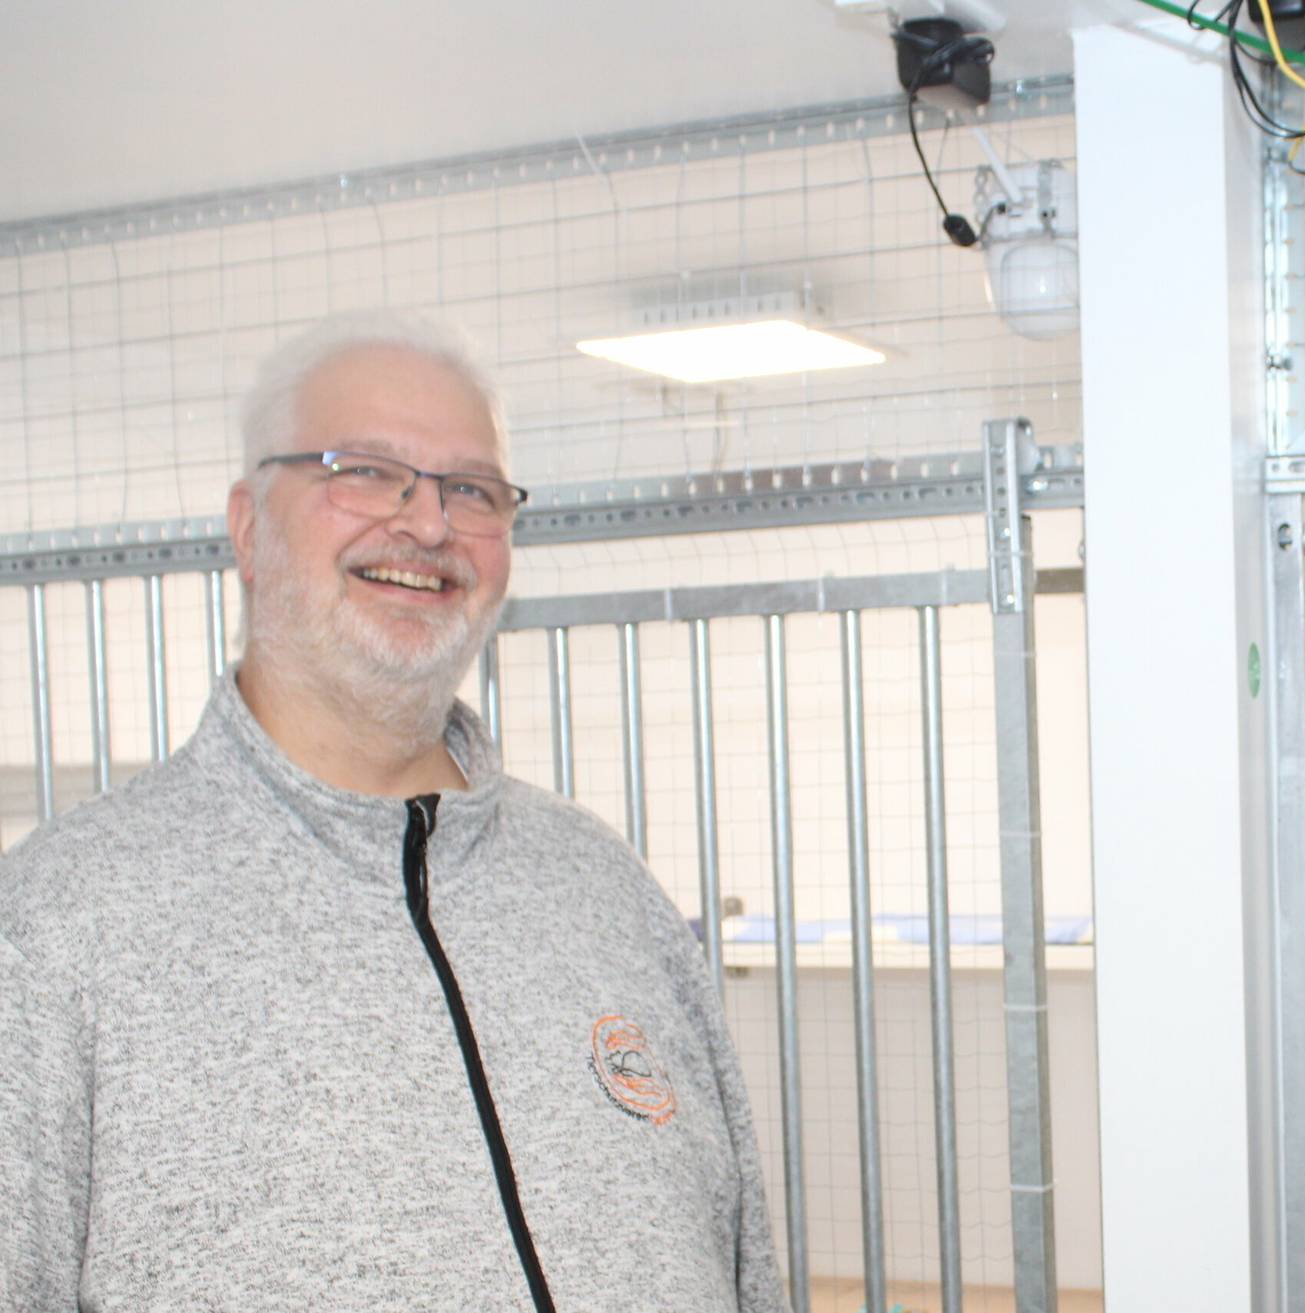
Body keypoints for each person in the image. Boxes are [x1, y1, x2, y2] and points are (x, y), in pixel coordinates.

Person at [0, 310, 787, 1312]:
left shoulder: (602, 889)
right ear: (249, 525)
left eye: (473, 488)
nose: (426, 523)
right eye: (365, 470)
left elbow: (741, 1264)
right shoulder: (58, 924)